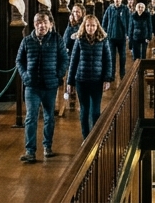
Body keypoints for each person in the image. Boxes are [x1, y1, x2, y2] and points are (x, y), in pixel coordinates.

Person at [15, 12, 69, 162]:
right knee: (31, 117)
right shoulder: (27, 41)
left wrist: (58, 75)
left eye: (44, 22)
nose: (42, 25)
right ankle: (30, 151)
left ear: (50, 24)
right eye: (38, 22)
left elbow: (64, 58)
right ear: (34, 24)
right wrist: (25, 76)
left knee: (49, 117)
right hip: (32, 86)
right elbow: (19, 60)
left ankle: (47, 146)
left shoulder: (57, 39)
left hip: (50, 85)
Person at [66, 14, 114, 139]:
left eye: (93, 25)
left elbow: (108, 60)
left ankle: (95, 136)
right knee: (84, 110)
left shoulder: (103, 40)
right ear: (84, 26)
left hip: (97, 80)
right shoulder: (79, 39)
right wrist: (70, 82)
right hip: (81, 80)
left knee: (96, 111)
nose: (90, 28)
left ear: (97, 26)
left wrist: (107, 79)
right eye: (88, 25)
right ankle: (86, 137)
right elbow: (74, 61)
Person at [102, 0, 130, 78]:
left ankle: (122, 73)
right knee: (112, 57)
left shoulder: (125, 9)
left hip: (122, 37)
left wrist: (128, 34)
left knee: (123, 56)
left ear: (121, 0)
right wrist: (104, 32)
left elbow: (129, 22)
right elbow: (104, 21)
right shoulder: (110, 9)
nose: (117, 0)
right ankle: (112, 74)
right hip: (111, 37)